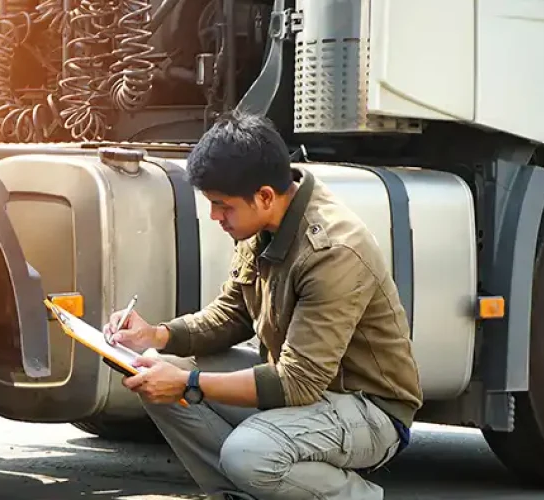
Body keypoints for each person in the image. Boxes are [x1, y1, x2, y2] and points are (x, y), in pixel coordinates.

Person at [103, 111, 423, 500]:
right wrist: (155, 334)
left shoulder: (333, 250)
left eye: (222, 205)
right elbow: (232, 315)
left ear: (265, 196)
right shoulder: (263, 224)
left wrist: (189, 384)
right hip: (310, 393)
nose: (215, 216)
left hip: (369, 410)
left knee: (249, 453)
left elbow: (297, 382)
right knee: (154, 373)